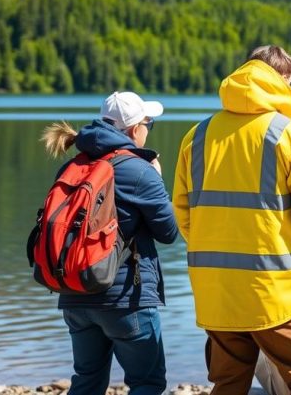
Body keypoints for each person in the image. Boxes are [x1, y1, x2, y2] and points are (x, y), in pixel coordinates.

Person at [172, 45, 291, 395]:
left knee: (228, 383)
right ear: (281, 82)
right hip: (275, 290)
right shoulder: (290, 134)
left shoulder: (196, 136)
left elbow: (183, 212)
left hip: (216, 290)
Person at [40, 91, 178, 395]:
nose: (147, 129)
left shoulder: (74, 165)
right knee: (147, 382)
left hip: (75, 293)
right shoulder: (139, 170)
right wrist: (157, 178)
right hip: (125, 299)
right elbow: (168, 232)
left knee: (87, 380)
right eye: (148, 123)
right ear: (133, 130)